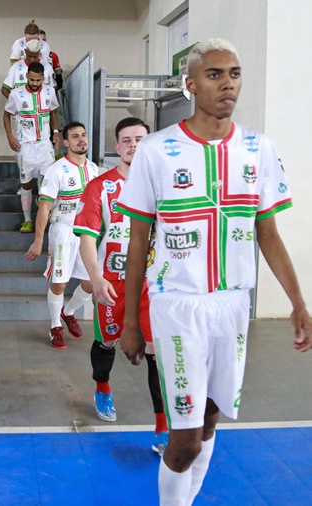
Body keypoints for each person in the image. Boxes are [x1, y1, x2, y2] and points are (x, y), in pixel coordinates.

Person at [116, 39, 312, 505]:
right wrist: (129, 322)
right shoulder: (157, 150)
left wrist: (297, 302)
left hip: (232, 305)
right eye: (215, 74)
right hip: (177, 306)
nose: (228, 84)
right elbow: (138, 241)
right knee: (184, 441)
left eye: (235, 74)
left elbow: (268, 233)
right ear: (190, 84)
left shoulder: (258, 148)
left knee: (208, 422)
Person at [74, 117, 169, 454]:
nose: (133, 145)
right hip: (112, 284)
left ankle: (163, 427)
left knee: (156, 354)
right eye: (126, 140)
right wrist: (96, 278)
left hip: (153, 286)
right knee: (107, 343)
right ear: (117, 147)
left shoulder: (166, 186)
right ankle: (102, 386)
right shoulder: (100, 187)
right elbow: (86, 239)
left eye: (140, 139)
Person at [25, 121, 96, 349]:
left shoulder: (94, 169)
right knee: (59, 283)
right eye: (75, 136)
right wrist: (38, 240)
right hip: (63, 231)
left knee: (91, 283)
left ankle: (69, 311)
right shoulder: (56, 170)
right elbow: (44, 207)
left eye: (83, 135)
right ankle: (55, 326)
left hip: (87, 233)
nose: (81, 139)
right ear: (65, 142)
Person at [3, 61, 61, 233]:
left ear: (43, 77)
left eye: (38, 80)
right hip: (25, 147)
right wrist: (10, 136)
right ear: (27, 76)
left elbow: (53, 112)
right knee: (27, 184)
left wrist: (55, 131)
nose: (34, 83)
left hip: (45, 145)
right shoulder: (16, 94)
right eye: (32, 79)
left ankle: (43, 207)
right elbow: (6, 115)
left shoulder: (49, 91)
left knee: (48, 180)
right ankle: (27, 220)